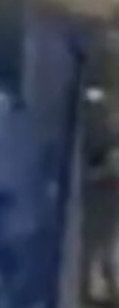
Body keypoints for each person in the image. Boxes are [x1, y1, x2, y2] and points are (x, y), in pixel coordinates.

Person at [82, 87, 119, 306]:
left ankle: (106, 290)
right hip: (102, 197)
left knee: (99, 246)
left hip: (104, 197)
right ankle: (105, 290)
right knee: (99, 246)